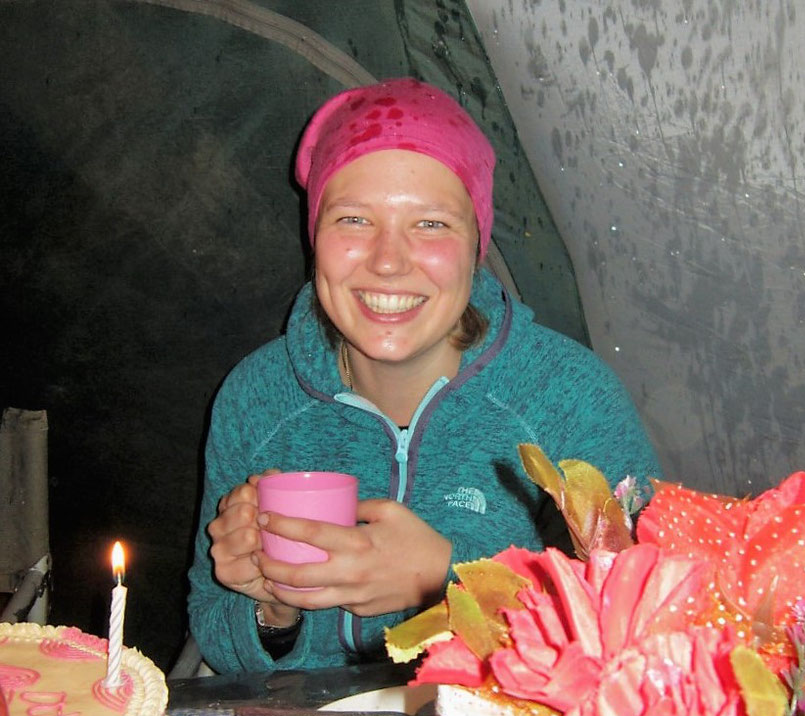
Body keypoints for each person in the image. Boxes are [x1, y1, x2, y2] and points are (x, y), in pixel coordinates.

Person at [187, 77, 660, 673]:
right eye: (354, 220)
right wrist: (273, 609)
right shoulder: (256, 399)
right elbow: (217, 635)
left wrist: (448, 576)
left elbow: (646, 630)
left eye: (431, 224)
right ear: (314, 238)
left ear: (476, 246)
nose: (388, 261)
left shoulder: (569, 398)